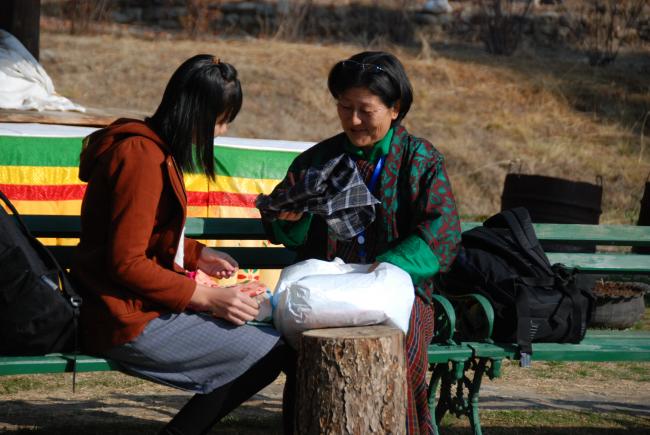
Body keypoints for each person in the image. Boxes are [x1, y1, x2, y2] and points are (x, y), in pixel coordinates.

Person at [71, 54, 294, 435]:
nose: (221, 131)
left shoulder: (151, 149)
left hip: (131, 305)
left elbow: (139, 233)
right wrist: (207, 299)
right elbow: (126, 263)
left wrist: (197, 254)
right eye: (220, 120)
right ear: (195, 112)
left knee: (275, 346)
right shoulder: (141, 157)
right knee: (272, 351)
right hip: (122, 317)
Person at [260, 51, 462, 434]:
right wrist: (291, 218)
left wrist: (384, 270)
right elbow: (284, 230)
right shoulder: (318, 160)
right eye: (344, 107)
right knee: (306, 354)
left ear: (395, 108)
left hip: (401, 290)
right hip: (328, 292)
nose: (352, 120)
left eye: (365, 110)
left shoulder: (420, 160)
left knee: (402, 352)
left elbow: (441, 235)